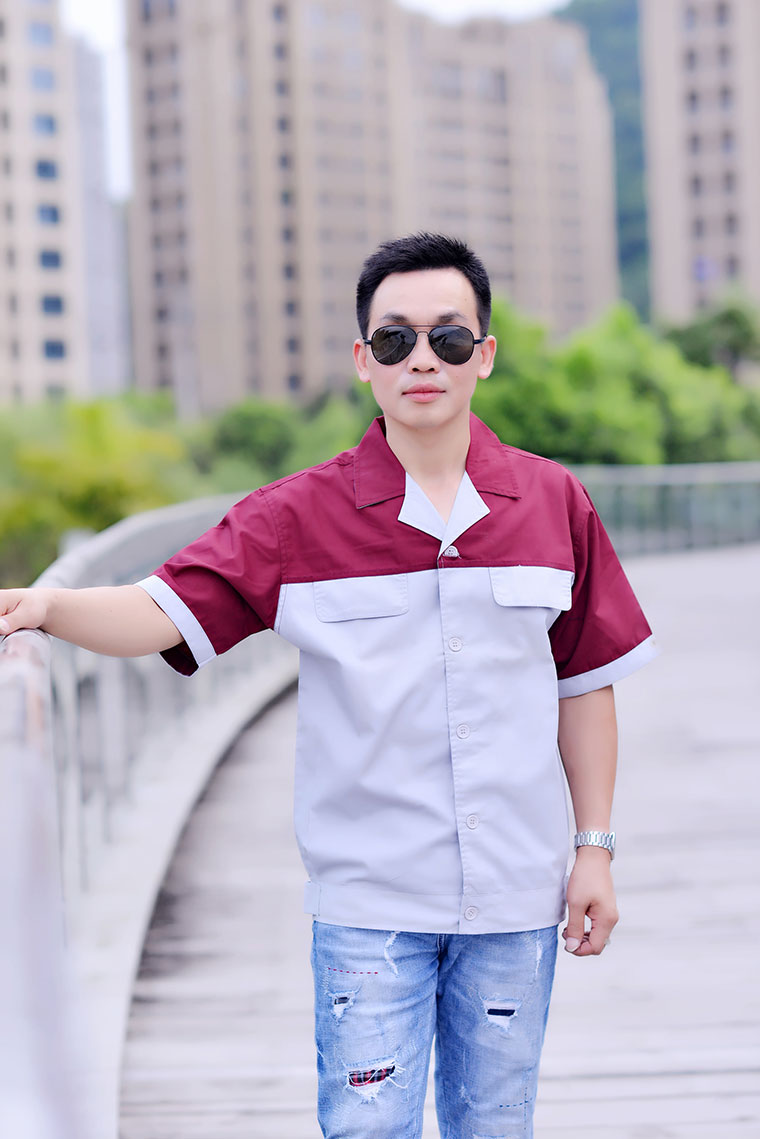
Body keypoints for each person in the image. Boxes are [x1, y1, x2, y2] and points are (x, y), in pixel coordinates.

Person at [0, 233, 657, 1138]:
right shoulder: (295, 517)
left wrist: (595, 848)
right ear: (362, 360)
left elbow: (586, 682)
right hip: (370, 905)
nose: (421, 359)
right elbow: (160, 610)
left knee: (498, 1127)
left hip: (517, 894)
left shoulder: (554, 504)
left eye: (448, 338)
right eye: (394, 340)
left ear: (484, 355)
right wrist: (45, 606)